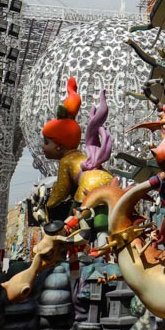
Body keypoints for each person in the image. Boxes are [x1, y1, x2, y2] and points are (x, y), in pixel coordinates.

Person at [42, 77, 112, 229]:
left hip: (88, 187)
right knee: (101, 223)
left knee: (70, 226)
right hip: (108, 181)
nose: (43, 147)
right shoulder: (81, 156)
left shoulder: (66, 161)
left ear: (59, 146)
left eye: (46, 143)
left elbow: (62, 190)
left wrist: (49, 203)